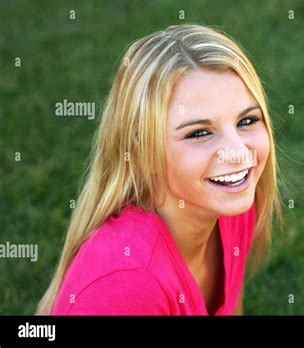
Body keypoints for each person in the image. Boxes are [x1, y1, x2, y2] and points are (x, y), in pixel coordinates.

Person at [37, 24, 281, 315]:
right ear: (143, 153)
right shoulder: (127, 285)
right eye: (200, 133)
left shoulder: (232, 205)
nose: (238, 153)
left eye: (247, 121)